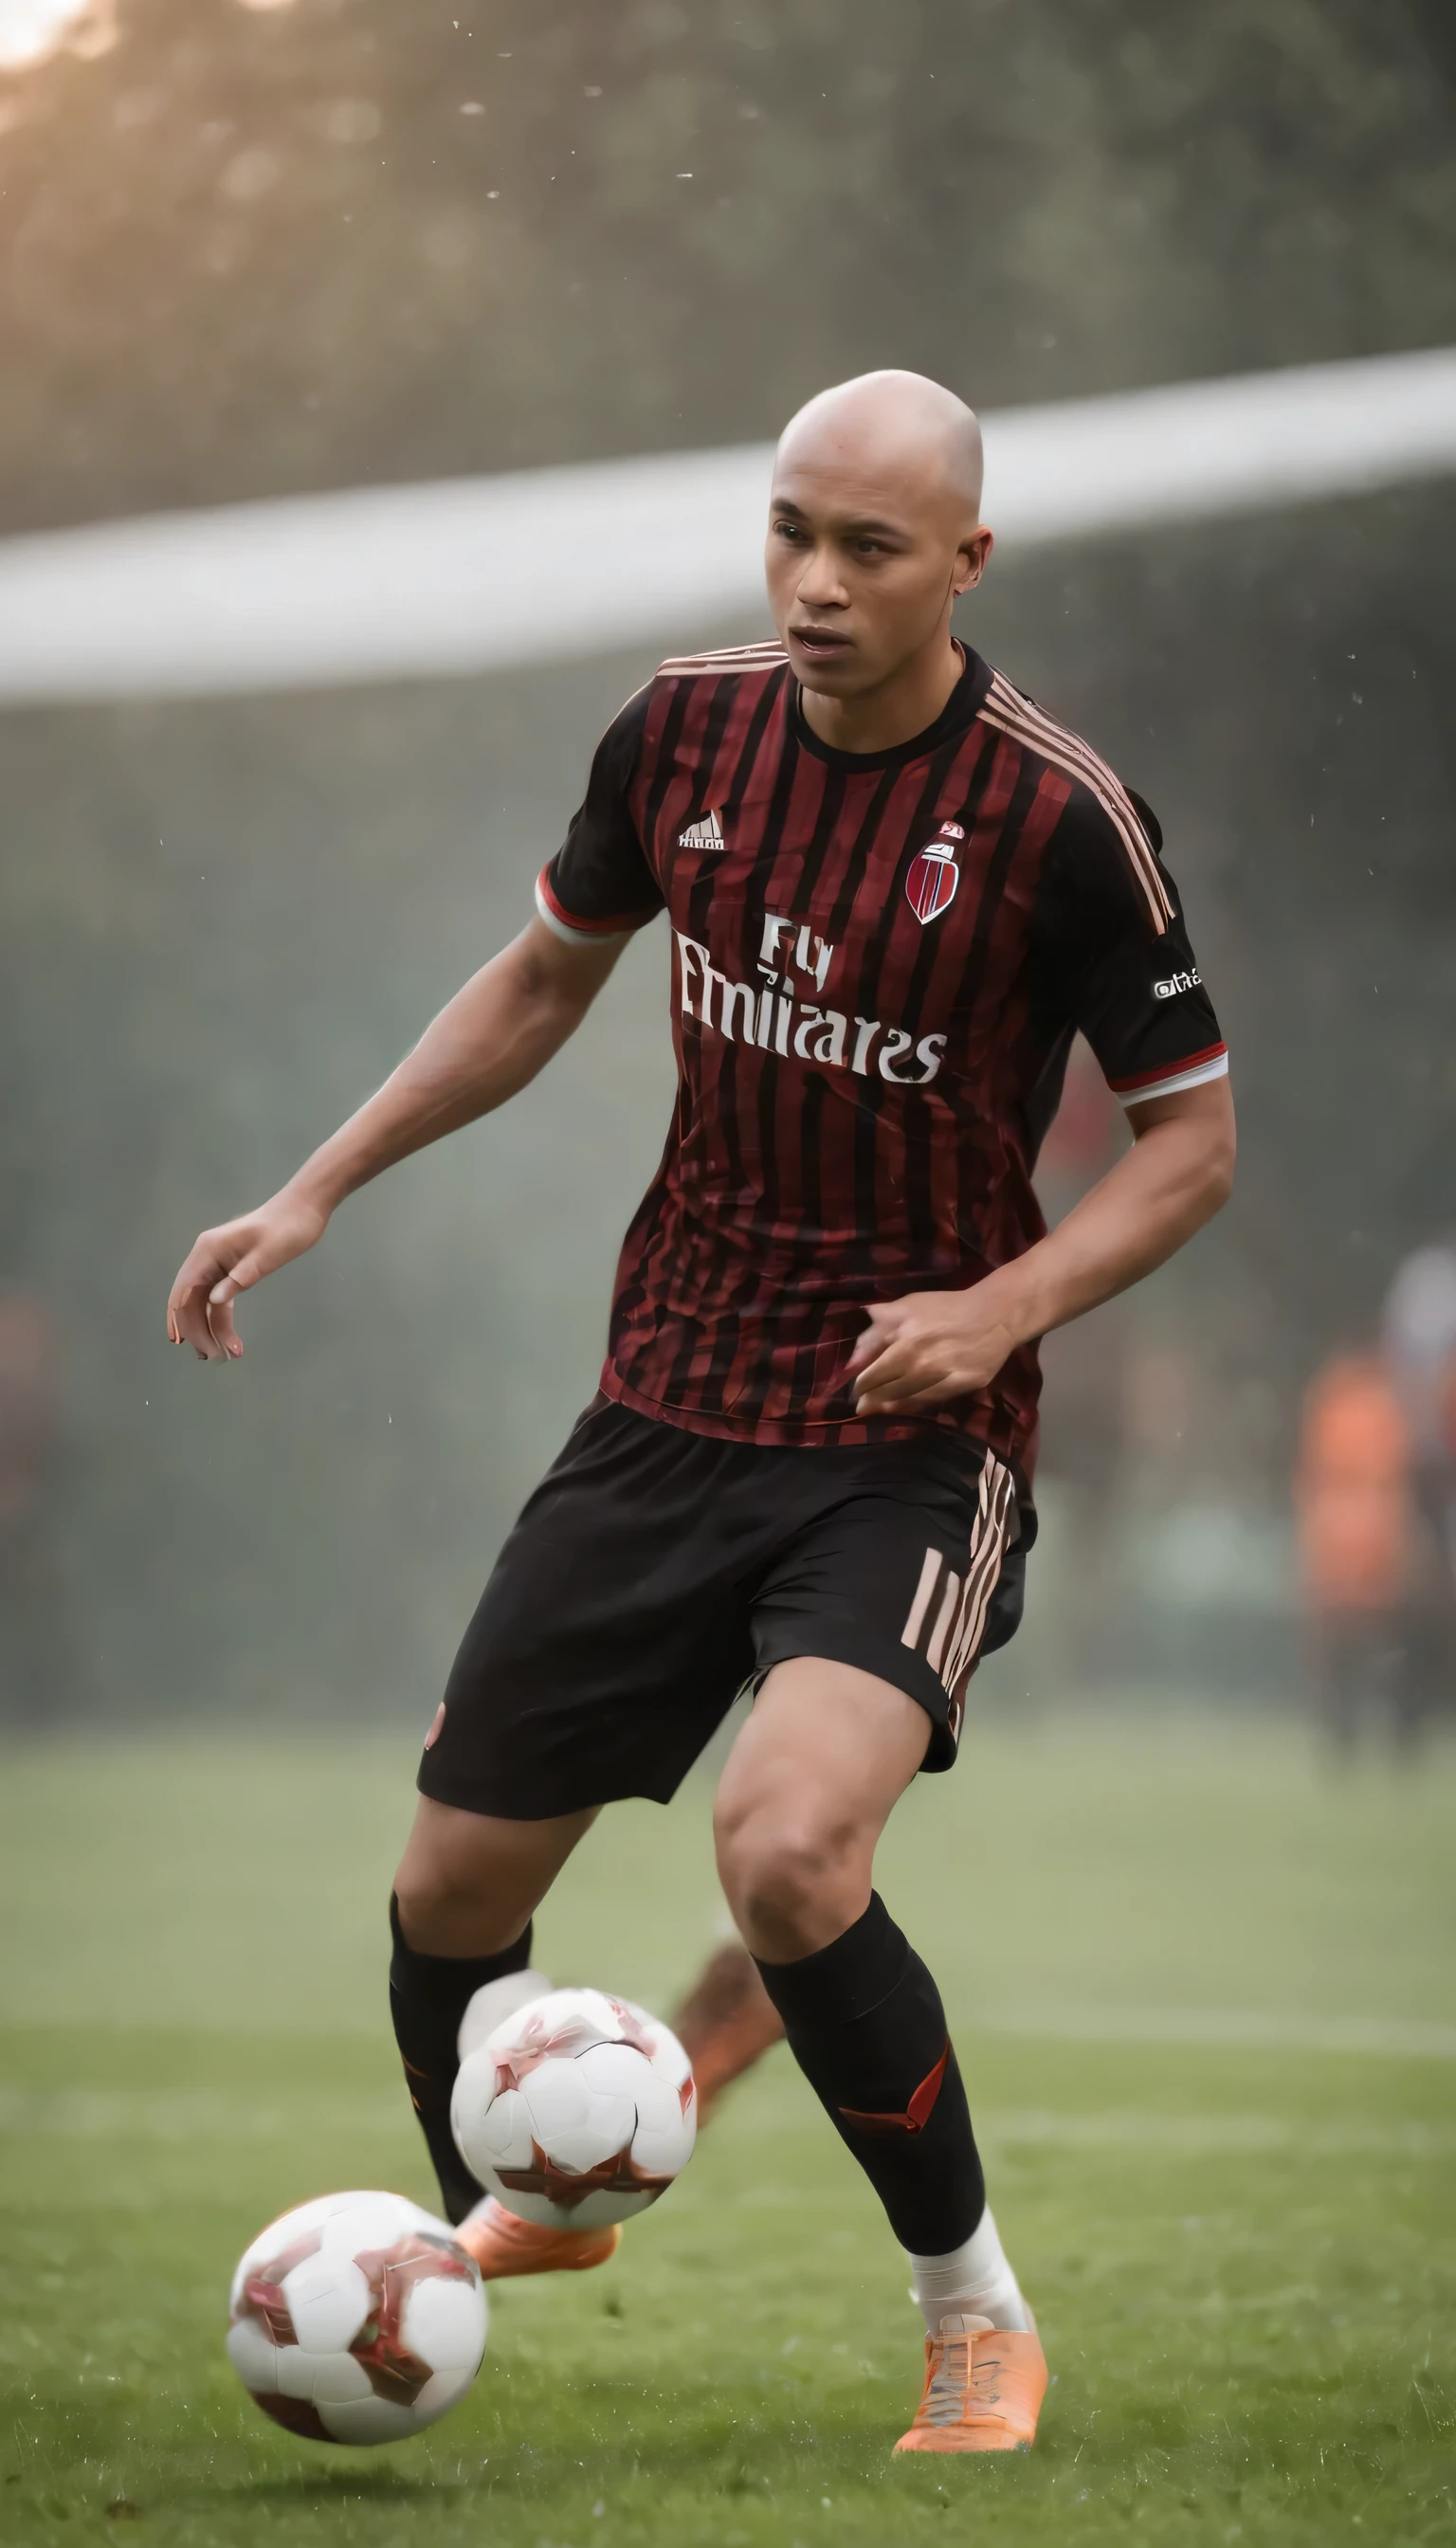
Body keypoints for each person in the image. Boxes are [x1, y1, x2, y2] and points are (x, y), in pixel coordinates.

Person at [168, 371, 1234, 2457]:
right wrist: (313, 1186)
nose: (816, 584)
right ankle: (540, 2183)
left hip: (906, 1435)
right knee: (450, 1899)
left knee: (791, 1852)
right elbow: (541, 979)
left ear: (965, 566)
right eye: (789, 534)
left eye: (869, 548)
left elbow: (1193, 1149)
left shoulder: (1052, 818)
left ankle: (973, 2315)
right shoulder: (681, 734)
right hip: (665, 1400)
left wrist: (996, 1308)